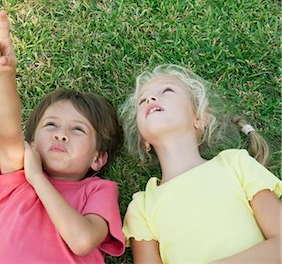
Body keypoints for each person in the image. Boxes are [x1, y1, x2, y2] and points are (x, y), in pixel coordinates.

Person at [0, 10, 125, 263]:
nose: (61, 135)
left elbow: (82, 241)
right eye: (51, 125)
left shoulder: (98, 190)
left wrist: (37, 178)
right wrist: (3, 73)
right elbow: (8, 128)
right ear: (32, 144)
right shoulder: (17, 180)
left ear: (98, 158)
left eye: (77, 129)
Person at [120, 64, 281, 264]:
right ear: (145, 141)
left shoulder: (235, 164)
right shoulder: (141, 206)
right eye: (142, 101)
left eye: (167, 91)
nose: (150, 99)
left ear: (200, 118)